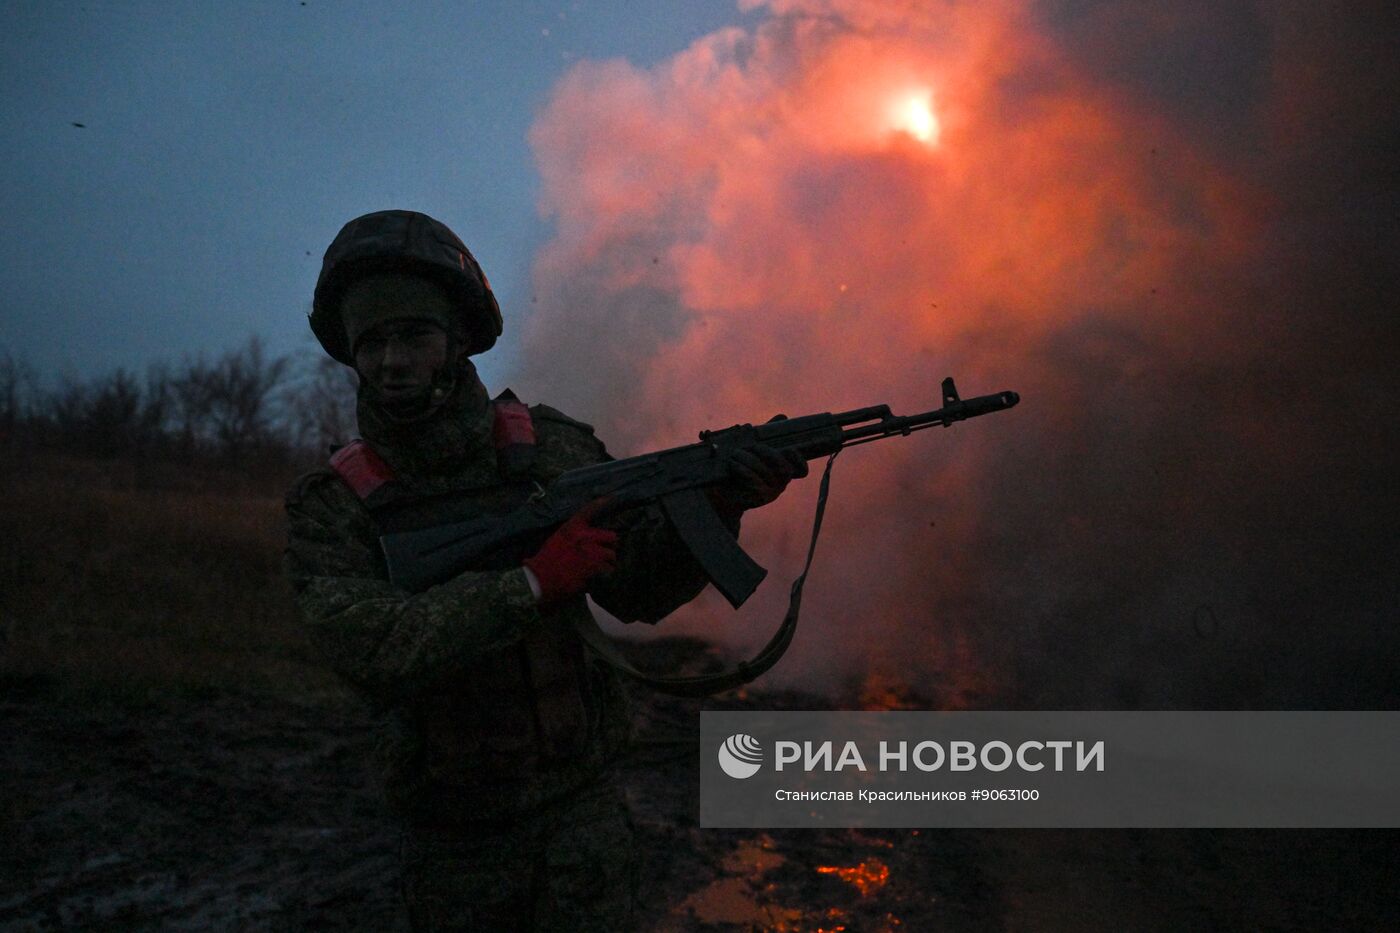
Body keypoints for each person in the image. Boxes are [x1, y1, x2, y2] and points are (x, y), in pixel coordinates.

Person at [283, 209, 806, 931]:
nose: (392, 360)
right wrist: (530, 583)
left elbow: (639, 590)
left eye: (413, 334)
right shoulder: (337, 506)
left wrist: (719, 502)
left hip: (581, 825)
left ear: (457, 338)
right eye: (371, 342)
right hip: (453, 846)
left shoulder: (554, 451)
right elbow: (369, 647)